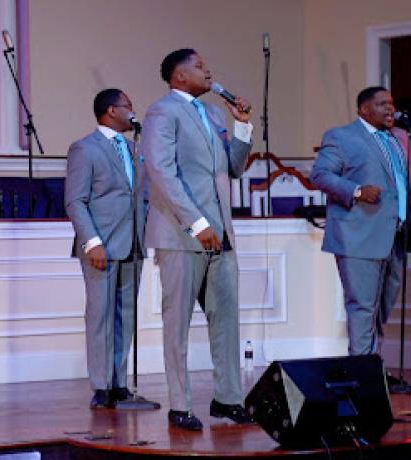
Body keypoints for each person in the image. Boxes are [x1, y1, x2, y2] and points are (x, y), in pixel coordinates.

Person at [142, 48, 254, 431]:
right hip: (181, 234)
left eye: (208, 65)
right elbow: (161, 172)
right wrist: (196, 222)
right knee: (178, 325)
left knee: (226, 321)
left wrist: (241, 128)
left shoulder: (213, 113)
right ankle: (180, 405)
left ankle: (228, 399)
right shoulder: (162, 112)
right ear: (178, 76)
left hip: (220, 233)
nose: (209, 71)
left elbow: (233, 167)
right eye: (200, 66)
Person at [311, 86, 411, 357]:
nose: (390, 108)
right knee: (362, 308)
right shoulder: (342, 136)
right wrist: (357, 191)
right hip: (358, 235)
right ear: (364, 110)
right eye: (383, 104)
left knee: (381, 310)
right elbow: (320, 175)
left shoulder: (401, 138)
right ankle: (362, 378)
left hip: (396, 235)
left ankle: (373, 370)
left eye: (392, 103)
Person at [65, 88, 155, 409]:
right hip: (101, 247)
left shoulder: (134, 148)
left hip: (132, 245)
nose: (133, 112)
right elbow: (75, 200)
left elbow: (143, 197)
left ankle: (119, 382)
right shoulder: (85, 149)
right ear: (110, 111)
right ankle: (101, 385)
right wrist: (92, 242)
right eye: (128, 106)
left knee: (124, 316)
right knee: (100, 316)